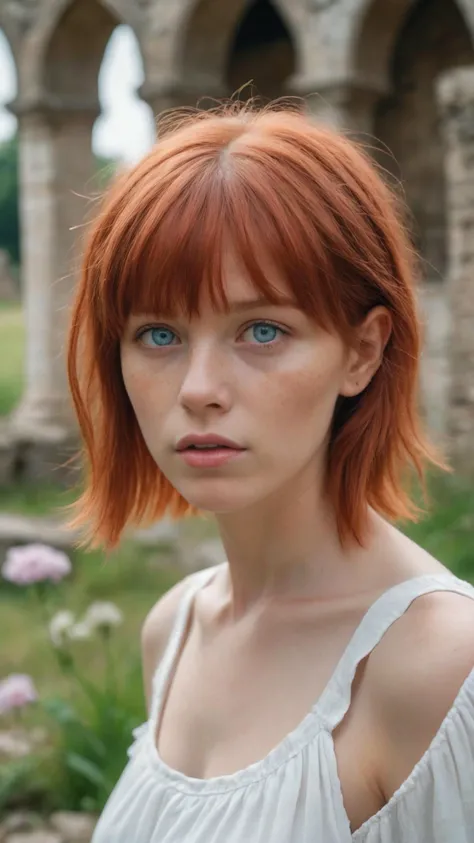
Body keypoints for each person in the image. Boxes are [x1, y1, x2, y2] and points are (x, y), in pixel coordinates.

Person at [66, 101, 474, 842]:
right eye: (158, 333)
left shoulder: (441, 666)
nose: (198, 387)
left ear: (363, 351)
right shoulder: (175, 626)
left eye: (262, 330)